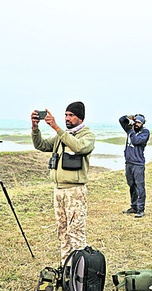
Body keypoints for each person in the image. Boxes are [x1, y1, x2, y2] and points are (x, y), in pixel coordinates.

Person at [30, 102, 96, 263]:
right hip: (58, 190)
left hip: (75, 191)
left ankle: (79, 271)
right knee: (63, 231)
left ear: (80, 117)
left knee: (76, 231)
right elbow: (41, 145)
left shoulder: (87, 136)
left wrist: (56, 128)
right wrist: (35, 128)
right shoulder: (62, 136)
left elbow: (79, 147)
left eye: (71, 115)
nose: (67, 118)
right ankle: (66, 268)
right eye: (66, 115)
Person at [119, 114, 150, 218]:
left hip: (138, 164)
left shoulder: (145, 132)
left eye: (139, 123)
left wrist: (131, 130)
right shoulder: (130, 130)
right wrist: (130, 117)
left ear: (142, 124)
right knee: (131, 184)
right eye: (135, 122)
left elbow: (136, 141)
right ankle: (134, 206)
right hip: (129, 163)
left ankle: (141, 209)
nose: (136, 124)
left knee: (140, 186)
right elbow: (121, 120)